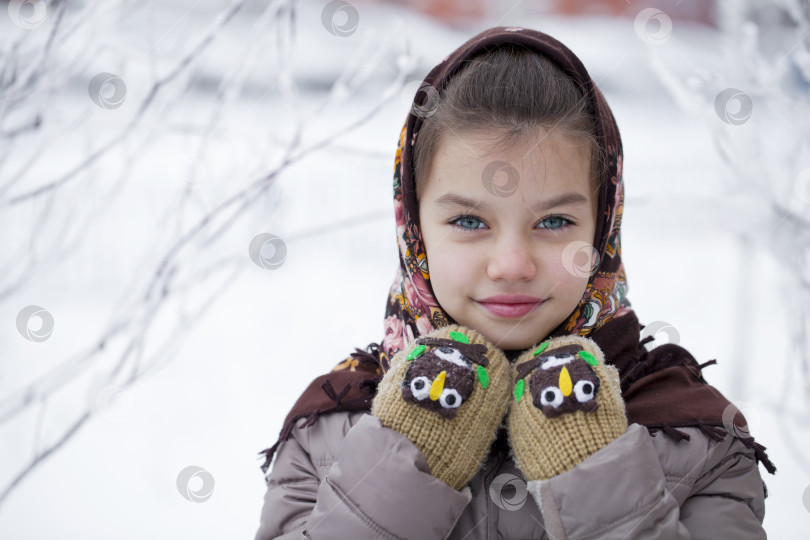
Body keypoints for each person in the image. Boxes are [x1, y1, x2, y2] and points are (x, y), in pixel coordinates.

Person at [253, 26, 776, 539]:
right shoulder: (329, 430)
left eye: (553, 223)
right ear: (414, 229)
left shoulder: (695, 436)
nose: (511, 264)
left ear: (603, 227)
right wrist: (401, 461)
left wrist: (595, 472)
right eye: (468, 222)